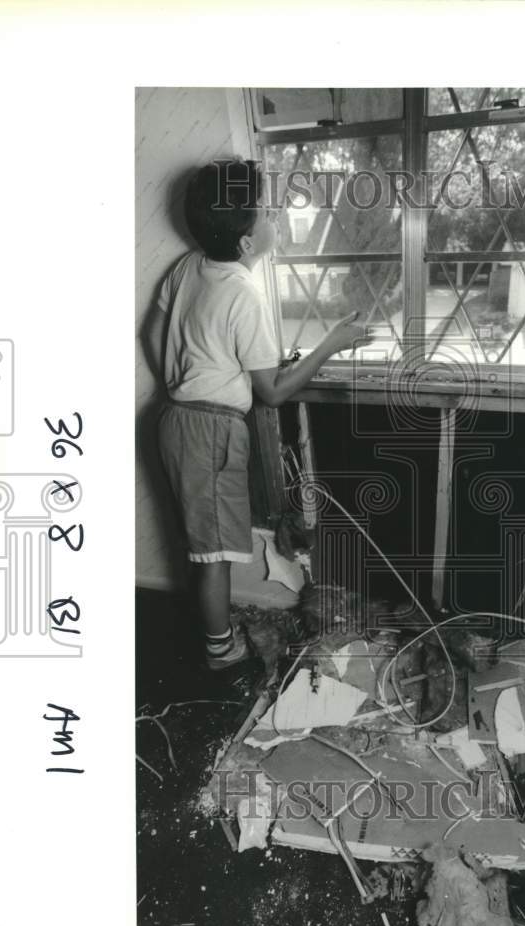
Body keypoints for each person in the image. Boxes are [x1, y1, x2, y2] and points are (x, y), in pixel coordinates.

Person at [147, 158, 369, 671]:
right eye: (266, 214)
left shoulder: (190, 265)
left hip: (178, 419)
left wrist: (190, 376)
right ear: (248, 243)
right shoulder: (242, 293)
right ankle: (221, 651)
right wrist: (331, 345)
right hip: (208, 430)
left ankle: (217, 636)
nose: (272, 220)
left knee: (209, 545)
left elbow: (154, 334)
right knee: (212, 554)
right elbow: (273, 392)